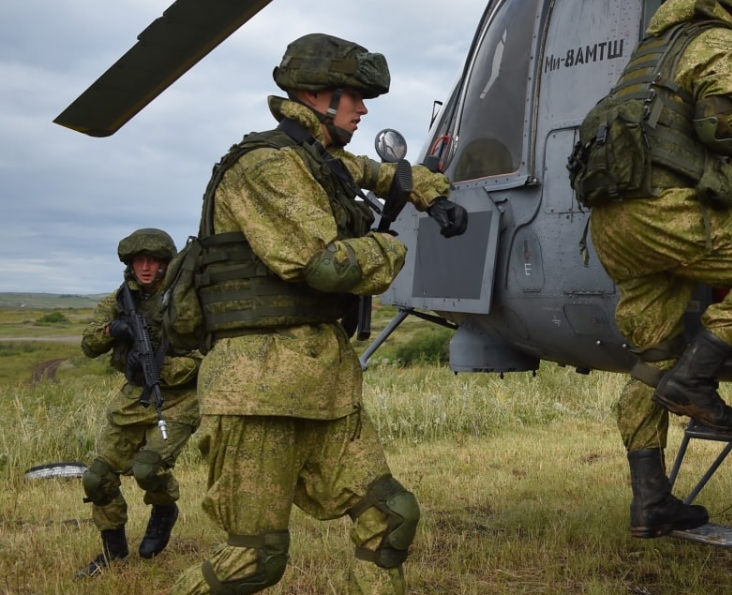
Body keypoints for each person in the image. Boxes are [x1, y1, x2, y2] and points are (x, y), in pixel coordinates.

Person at [169, 33, 468, 595]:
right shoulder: (265, 167)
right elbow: (324, 266)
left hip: (323, 384)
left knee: (392, 514)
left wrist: (434, 194)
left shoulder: (321, 162)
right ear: (313, 95)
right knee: (255, 560)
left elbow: (385, 175)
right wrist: (394, 245)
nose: (363, 108)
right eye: (352, 95)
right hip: (258, 390)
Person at [585, 0, 732, 537]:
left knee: (651, 358)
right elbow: (718, 128)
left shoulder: (653, 50)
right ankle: (695, 378)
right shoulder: (723, 46)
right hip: (668, 214)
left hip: (613, 224)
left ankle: (652, 502)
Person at [78, 228, 202, 577]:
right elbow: (88, 345)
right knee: (96, 477)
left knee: (148, 469)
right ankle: (113, 554)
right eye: (138, 261)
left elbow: (210, 357)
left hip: (179, 398)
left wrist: (165, 366)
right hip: (134, 395)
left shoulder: (186, 299)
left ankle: (164, 510)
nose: (145, 268)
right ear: (130, 264)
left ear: (166, 263)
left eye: (153, 261)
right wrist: (114, 330)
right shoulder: (119, 300)